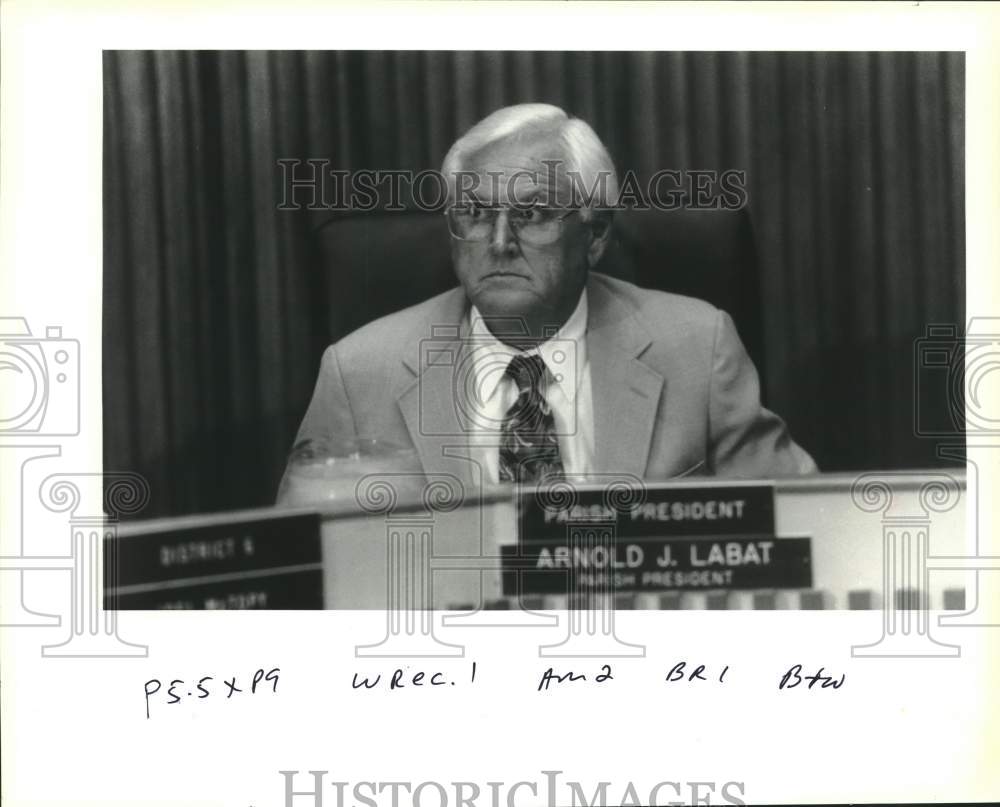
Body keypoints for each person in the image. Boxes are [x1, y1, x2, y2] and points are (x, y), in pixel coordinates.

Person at [284, 103, 816, 493]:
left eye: (531, 214)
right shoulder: (358, 373)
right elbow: (303, 568)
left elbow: (796, 522)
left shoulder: (698, 348)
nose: (498, 243)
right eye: (475, 214)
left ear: (596, 233)